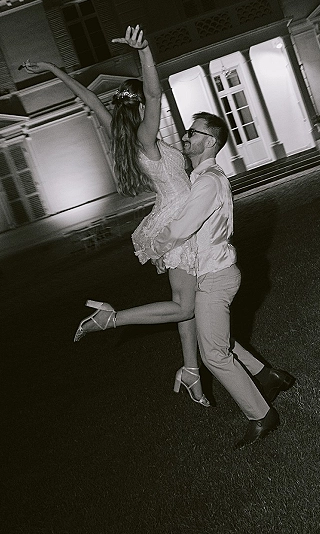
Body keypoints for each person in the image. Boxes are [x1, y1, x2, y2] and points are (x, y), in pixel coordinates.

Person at [21, 25, 209, 407]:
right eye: (147, 104)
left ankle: (190, 370)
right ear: (140, 106)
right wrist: (143, 51)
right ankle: (111, 318)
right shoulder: (143, 136)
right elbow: (154, 91)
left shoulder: (124, 135)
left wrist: (52, 69)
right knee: (186, 305)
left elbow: (90, 100)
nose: (151, 107)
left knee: (183, 301)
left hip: (175, 216)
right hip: (179, 221)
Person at [89, 111, 297, 448]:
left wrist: (156, 247)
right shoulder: (203, 177)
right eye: (186, 131)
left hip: (215, 277)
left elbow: (183, 225)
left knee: (213, 354)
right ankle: (266, 375)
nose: (185, 137)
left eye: (193, 132)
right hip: (210, 274)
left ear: (210, 141)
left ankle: (261, 415)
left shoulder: (208, 181)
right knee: (214, 339)